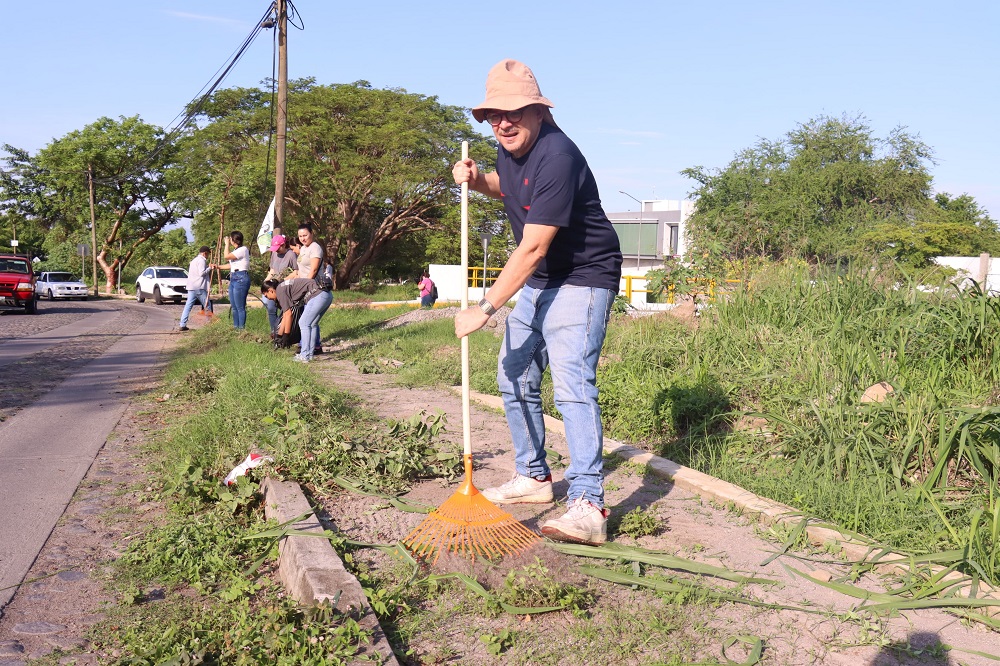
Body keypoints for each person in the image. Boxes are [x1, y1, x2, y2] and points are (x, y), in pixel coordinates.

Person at [451, 59, 623, 546]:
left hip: (583, 276)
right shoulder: (510, 148)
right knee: (514, 373)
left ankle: (588, 504)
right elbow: (507, 188)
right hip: (541, 276)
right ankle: (533, 476)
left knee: (571, 384)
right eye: (494, 114)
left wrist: (484, 308)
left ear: (539, 111)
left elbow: (532, 247)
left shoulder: (558, 156)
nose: (503, 123)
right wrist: (477, 180)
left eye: (515, 112)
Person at [261, 277, 333, 363]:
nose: (268, 298)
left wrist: (286, 335)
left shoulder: (279, 291)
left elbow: (288, 315)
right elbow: (285, 315)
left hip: (318, 295)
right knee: (312, 324)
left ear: (270, 291)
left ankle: (304, 355)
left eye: (266, 295)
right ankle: (309, 355)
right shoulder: (283, 288)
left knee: (304, 323)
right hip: (327, 295)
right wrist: (279, 336)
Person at [296, 223, 326, 354]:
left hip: (314, 288)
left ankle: (309, 348)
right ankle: (311, 346)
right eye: (300, 236)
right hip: (305, 287)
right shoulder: (303, 249)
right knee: (309, 319)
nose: (303, 238)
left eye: (305, 235)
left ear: (311, 234)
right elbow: (301, 269)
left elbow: (313, 269)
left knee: (308, 320)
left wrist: (305, 285)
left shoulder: (315, 248)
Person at [211, 231, 251, 330]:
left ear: (234, 240)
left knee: (240, 307)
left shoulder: (243, 249)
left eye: (230, 239)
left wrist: (226, 245)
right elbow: (231, 265)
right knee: (234, 306)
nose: (229, 240)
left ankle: (241, 329)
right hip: (233, 277)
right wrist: (217, 267)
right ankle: (235, 328)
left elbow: (226, 257)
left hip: (241, 278)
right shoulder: (236, 251)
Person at [262, 234, 298, 335]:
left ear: (283, 245)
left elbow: (296, 272)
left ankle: (284, 333)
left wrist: (282, 280)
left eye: (278, 248)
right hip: (273, 287)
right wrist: (266, 281)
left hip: (285, 287)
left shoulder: (291, 255)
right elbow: (272, 270)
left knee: (284, 311)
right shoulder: (274, 254)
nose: (276, 250)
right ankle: (274, 332)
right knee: (271, 309)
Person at [178, 246, 212, 332]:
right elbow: (201, 273)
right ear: (205, 253)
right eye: (208, 254)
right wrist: (210, 268)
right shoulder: (202, 260)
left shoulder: (194, 260)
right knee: (207, 305)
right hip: (199, 286)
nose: (208, 256)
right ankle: (210, 325)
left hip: (191, 286)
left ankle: (182, 324)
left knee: (188, 306)